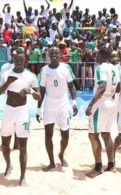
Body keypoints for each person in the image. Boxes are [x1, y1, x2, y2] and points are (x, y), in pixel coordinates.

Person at [0, 48, 41, 186]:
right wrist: (8, 82)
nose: (19, 62)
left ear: (25, 60)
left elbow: (39, 96)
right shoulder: (6, 74)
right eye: (16, 60)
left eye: (21, 60)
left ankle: (22, 176)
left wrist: (30, 90)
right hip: (8, 110)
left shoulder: (31, 76)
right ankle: (9, 165)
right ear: (13, 61)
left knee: (23, 147)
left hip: (22, 112)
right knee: (4, 144)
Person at [36, 46, 78, 172]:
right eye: (52, 53)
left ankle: (61, 154)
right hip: (49, 105)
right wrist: (38, 109)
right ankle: (52, 162)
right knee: (48, 135)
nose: (54, 54)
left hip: (63, 105)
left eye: (56, 53)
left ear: (60, 55)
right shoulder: (44, 70)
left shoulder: (66, 67)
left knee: (65, 135)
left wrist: (74, 103)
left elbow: (72, 87)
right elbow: (42, 91)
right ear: (48, 54)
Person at [85, 47, 120, 177]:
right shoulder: (114, 68)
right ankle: (111, 165)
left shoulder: (100, 68)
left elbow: (102, 87)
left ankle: (98, 166)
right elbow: (118, 88)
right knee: (106, 134)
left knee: (93, 135)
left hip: (102, 103)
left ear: (100, 54)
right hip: (112, 102)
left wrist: (90, 105)